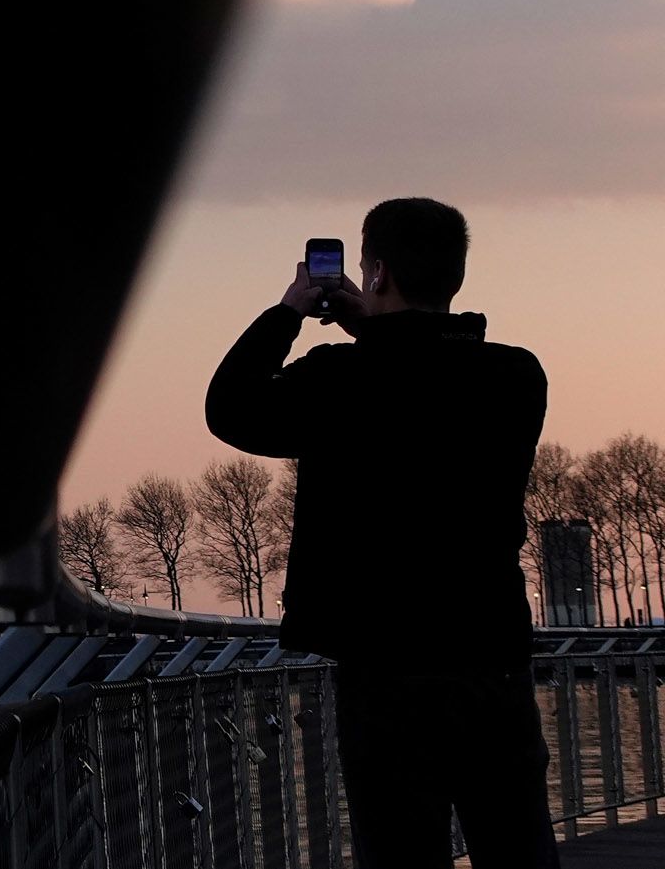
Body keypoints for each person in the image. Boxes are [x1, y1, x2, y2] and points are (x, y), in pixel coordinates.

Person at [206, 197, 557, 869]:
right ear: (456, 272)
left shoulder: (337, 380)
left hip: (384, 667)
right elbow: (424, 375)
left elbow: (230, 407)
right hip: (492, 657)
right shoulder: (515, 375)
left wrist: (289, 311)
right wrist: (376, 327)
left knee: (400, 850)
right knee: (518, 846)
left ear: (375, 271)